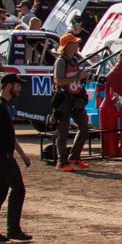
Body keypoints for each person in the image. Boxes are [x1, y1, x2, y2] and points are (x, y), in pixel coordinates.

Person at [0, 73, 33, 244]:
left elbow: (10, 135)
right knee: (18, 189)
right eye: (18, 85)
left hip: (5, 155)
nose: (20, 88)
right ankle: (13, 229)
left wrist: (22, 154)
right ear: (9, 86)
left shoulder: (4, 105)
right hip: (1, 156)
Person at [52, 34, 91, 171]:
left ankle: (75, 157)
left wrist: (83, 78)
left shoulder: (74, 60)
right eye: (74, 43)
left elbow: (76, 79)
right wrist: (76, 77)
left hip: (76, 99)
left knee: (84, 128)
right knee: (63, 131)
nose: (77, 45)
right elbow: (58, 81)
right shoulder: (61, 61)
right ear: (67, 45)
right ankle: (62, 162)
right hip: (64, 99)